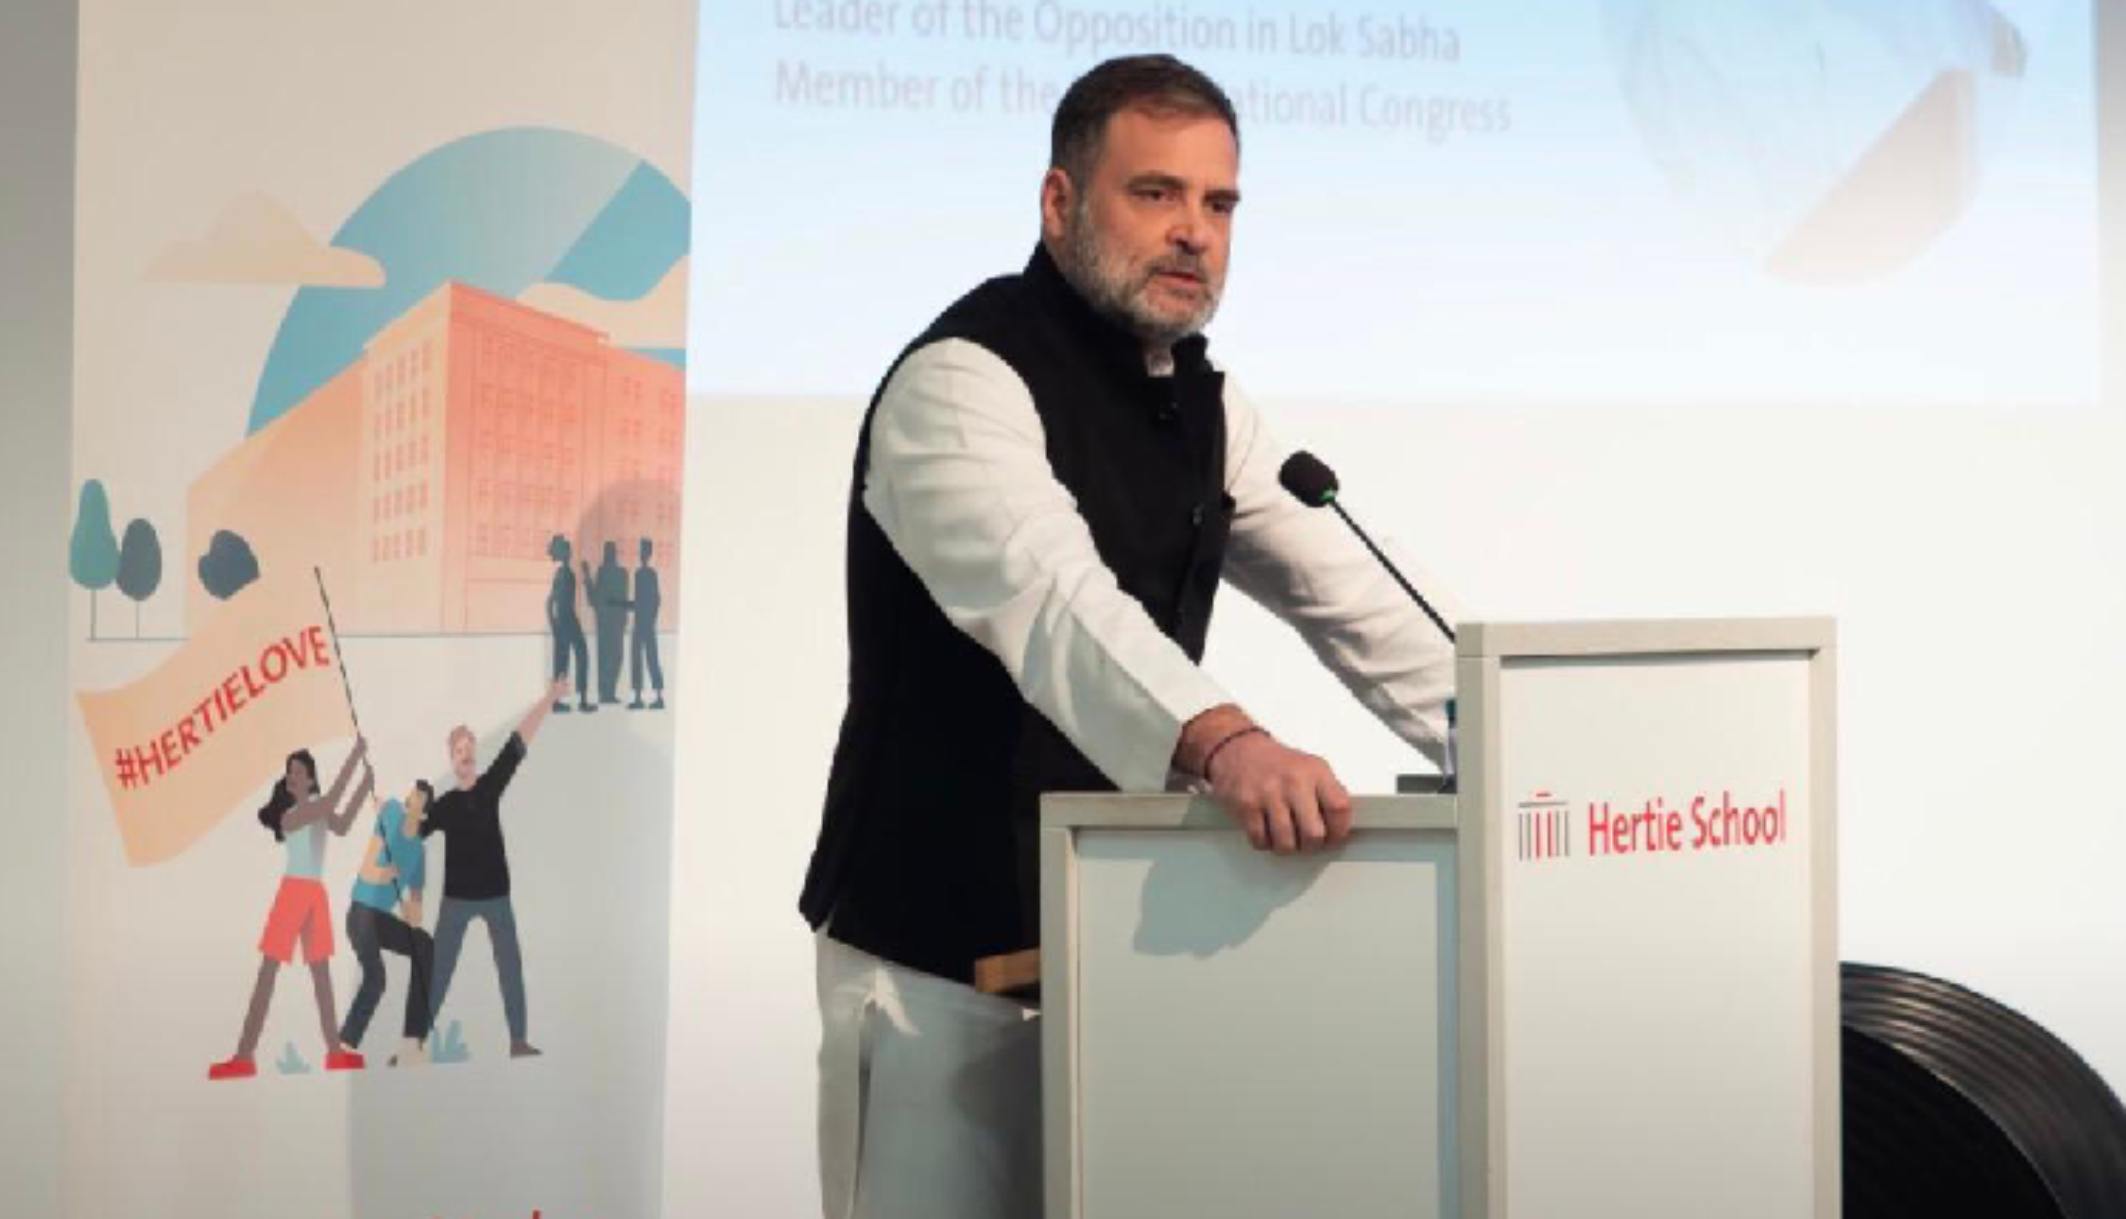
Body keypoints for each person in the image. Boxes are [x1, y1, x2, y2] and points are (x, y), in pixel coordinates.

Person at [798, 54, 1459, 1219]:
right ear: (1059, 203)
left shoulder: (1204, 405)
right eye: (1154, 193)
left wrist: (1521, 747)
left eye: (1218, 203)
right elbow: (1055, 603)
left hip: (1108, 963)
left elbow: (1354, 601)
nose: (1193, 231)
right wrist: (1227, 743)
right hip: (930, 972)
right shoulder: (959, 381)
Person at [209, 739, 373, 1080]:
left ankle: (334, 1050)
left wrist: (364, 785)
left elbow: (342, 824)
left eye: (298, 772)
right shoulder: (291, 816)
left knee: (321, 974)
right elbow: (331, 801)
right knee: (268, 972)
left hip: (314, 894)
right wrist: (355, 757)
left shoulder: (316, 809)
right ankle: (244, 1055)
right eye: (290, 772)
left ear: (310, 779)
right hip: (293, 893)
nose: (292, 776)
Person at [421, 679, 568, 1059]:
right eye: (459, 750)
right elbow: (413, 832)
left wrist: (549, 698)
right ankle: (414, 1042)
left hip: (496, 896)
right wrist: (392, 818)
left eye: (470, 748)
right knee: (438, 971)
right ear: (451, 758)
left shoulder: (490, 786)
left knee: (510, 967)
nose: (466, 755)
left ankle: (518, 1041)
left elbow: (520, 739)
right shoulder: (444, 805)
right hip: (456, 901)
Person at [338, 779, 435, 1067]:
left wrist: (411, 911)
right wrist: (387, 873)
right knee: (376, 978)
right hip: (361, 913)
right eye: (411, 795)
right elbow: (368, 870)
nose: (410, 799)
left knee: (424, 945)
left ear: (424, 813)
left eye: (418, 798)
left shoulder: (418, 851)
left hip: (380, 918)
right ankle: (344, 1045)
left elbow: (416, 907)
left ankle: (412, 1042)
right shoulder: (391, 813)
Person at [547, 535, 593, 714]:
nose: (571, 552)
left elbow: (550, 602)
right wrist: (556, 623)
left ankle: (557, 701)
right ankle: (582, 701)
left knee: (562, 659)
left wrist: (554, 624)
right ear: (564, 554)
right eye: (568, 550)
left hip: (562, 621)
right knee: (581, 656)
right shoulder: (566, 574)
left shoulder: (560, 574)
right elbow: (553, 601)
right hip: (568, 620)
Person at [588, 541, 629, 704]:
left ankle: (608, 693)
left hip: (612, 622)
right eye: (608, 552)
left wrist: (624, 617)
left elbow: (622, 597)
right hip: (608, 622)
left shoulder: (619, 573)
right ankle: (606, 694)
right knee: (608, 657)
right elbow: (596, 600)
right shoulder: (605, 573)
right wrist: (587, 578)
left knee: (613, 656)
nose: (609, 555)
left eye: (610, 551)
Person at [628, 537, 665, 710]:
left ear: (648, 554)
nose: (641, 554)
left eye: (644, 551)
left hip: (646, 622)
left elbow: (656, 599)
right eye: (641, 551)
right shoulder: (638, 574)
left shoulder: (650, 574)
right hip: (640, 622)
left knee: (651, 658)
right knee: (638, 658)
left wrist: (651, 619)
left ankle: (658, 696)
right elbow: (639, 601)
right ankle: (638, 697)